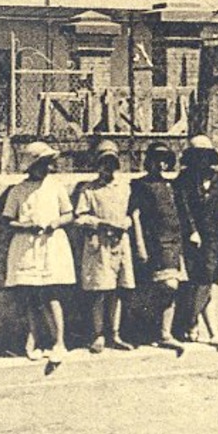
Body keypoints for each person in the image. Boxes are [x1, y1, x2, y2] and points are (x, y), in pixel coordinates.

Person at [2, 140, 76, 371]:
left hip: (51, 245)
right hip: (26, 247)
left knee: (51, 294)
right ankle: (35, 340)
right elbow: (8, 220)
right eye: (43, 164)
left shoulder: (55, 187)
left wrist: (56, 222)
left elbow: (68, 214)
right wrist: (26, 226)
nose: (48, 168)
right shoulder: (18, 191)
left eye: (49, 163)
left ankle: (59, 342)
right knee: (31, 295)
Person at [71, 139, 137, 354]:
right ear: (97, 165)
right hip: (98, 246)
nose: (108, 168)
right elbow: (79, 217)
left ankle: (115, 334)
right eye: (103, 164)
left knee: (117, 291)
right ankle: (98, 334)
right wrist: (100, 223)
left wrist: (125, 223)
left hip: (120, 244)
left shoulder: (124, 188)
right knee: (100, 291)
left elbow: (131, 214)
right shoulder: (89, 190)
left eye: (112, 164)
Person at [128, 141, 188, 355]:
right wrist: (140, 245)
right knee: (160, 287)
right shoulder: (139, 185)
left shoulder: (170, 186)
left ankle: (164, 333)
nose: (160, 165)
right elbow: (134, 216)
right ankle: (146, 330)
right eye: (156, 160)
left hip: (173, 243)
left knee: (172, 287)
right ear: (149, 162)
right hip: (153, 244)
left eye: (164, 161)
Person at [174, 134, 218, 349]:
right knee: (199, 282)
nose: (202, 161)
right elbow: (183, 208)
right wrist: (192, 231)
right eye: (198, 156)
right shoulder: (184, 180)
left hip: (215, 239)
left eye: (206, 156)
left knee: (207, 282)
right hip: (193, 239)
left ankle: (193, 322)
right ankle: (203, 328)